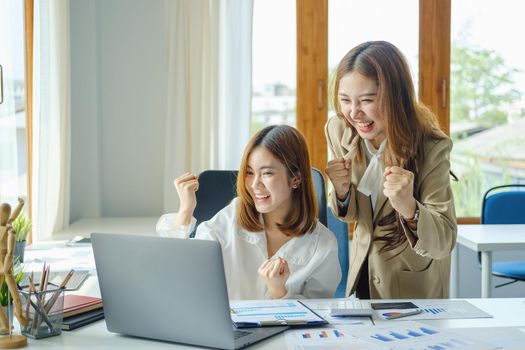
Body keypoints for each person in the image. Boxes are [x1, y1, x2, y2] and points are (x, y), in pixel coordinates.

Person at [325, 41, 457, 299]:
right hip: (362, 275)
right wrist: (341, 193)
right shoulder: (338, 129)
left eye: (366, 100)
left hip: (412, 287)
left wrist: (409, 207)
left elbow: (444, 240)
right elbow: (354, 216)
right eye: (345, 100)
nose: (354, 113)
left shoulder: (431, 146)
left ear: (395, 97)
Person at [157, 125, 341, 300]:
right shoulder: (230, 218)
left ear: (296, 178)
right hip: (229, 330)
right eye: (250, 172)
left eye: (267, 173)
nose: (254, 185)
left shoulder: (323, 244)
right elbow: (181, 272)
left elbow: (320, 314)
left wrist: (280, 292)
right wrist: (186, 210)